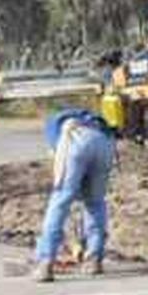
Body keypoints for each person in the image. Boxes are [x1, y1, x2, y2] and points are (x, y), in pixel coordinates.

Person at [32, 107, 117, 283]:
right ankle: (94, 259)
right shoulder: (94, 119)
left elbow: (58, 157)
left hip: (75, 139)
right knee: (95, 202)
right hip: (104, 143)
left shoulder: (54, 124)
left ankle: (45, 262)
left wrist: (67, 188)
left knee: (60, 200)